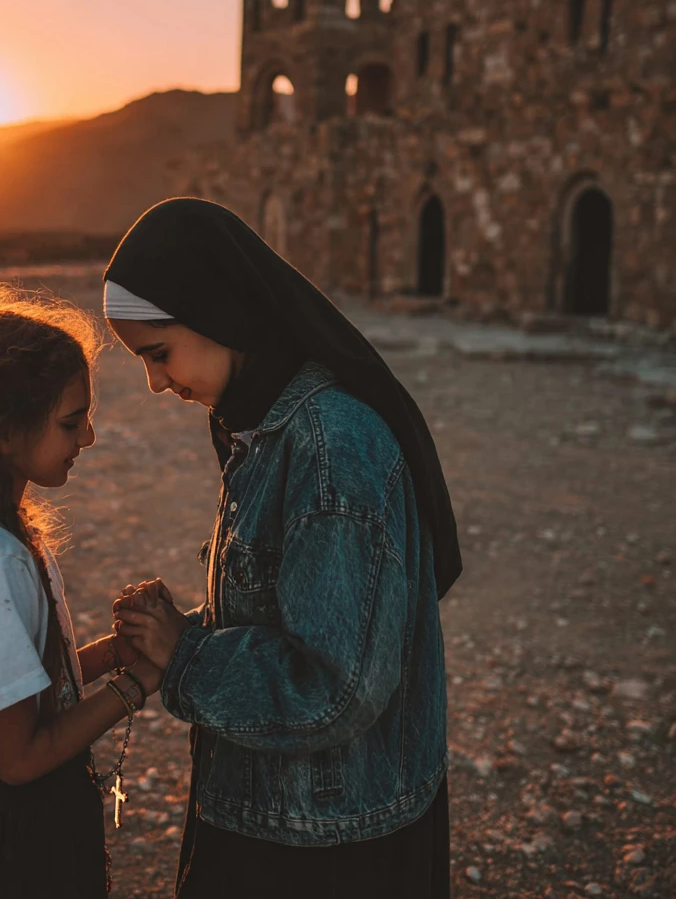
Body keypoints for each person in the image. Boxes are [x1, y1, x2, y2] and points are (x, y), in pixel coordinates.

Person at [106, 198, 462, 899]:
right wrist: (182, 634)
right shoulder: (264, 425)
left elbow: (335, 687)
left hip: (328, 846)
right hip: (290, 813)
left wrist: (186, 654)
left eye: (159, 354)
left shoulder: (331, 450)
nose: (154, 384)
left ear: (217, 312)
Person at [0, 283, 162, 899]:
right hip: (14, 848)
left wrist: (115, 652)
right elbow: (19, 757)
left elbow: (18, 693)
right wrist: (138, 684)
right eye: (72, 422)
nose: (88, 439)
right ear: (6, 433)